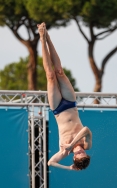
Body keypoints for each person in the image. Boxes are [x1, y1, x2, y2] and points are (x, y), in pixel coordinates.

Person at [37, 22, 92, 171]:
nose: (81, 150)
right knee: (59, 71)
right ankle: (48, 36)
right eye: (83, 153)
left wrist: (69, 167)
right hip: (70, 103)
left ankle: (42, 38)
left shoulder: (65, 152)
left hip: (58, 109)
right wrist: (73, 143)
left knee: (50, 76)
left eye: (79, 154)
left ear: (74, 158)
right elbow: (86, 129)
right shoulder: (86, 144)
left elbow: (50, 162)